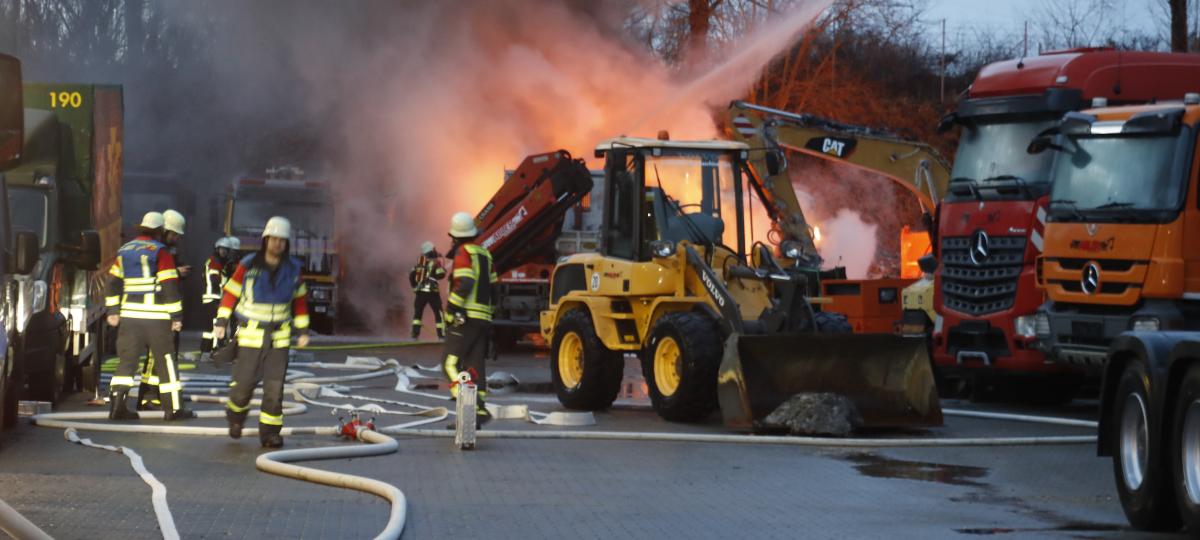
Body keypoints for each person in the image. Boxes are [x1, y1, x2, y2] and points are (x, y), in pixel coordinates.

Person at [214, 217, 310, 448]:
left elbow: (299, 302)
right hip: (251, 337)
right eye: (273, 239)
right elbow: (230, 294)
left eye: (282, 240)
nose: (277, 244)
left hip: (279, 339)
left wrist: (303, 330)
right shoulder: (248, 265)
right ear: (266, 240)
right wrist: (221, 321)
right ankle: (235, 416)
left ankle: (270, 434)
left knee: (274, 391)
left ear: (286, 244)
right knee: (242, 388)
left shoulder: (294, 270)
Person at [105, 211, 194, 421]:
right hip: (157, 317)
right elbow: (169, 285)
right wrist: (176, 316)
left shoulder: (124, 250)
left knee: (126, 361)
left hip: (129, 317)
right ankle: (173, 409)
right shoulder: (160, 251)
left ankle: (117, 406)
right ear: (160, 231)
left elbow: (112, 283)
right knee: (166, 361)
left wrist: (113, 311)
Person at [441, 212, 497, 429]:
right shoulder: (485, 254)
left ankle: (468, 409)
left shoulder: (463, 252)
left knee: (449, 364)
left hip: (466, 317)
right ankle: (480, 410)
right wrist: (490, 318)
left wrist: (452, 308)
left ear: (455, 237)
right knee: (475, 365)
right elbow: (495, 289)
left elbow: (464, 283)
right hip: (482, 318)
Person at [201, 237, 234, 360]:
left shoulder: (215, 262)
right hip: (213, 297)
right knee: (216, 325)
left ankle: (206, 351)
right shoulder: (214, 262)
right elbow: (216, 281)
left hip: (211, 297)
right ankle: (214, 351)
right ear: (217, 249)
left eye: (226, 250)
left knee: (209, 327)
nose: (224, 252)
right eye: (222, 249)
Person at [409, 240, 447, 339]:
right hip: (432, 292)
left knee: (418, 313)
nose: (435, 250)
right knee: (438, 313)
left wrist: (414, 287)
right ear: (431, 250)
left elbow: (411, 276)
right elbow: (440, 275)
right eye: (434, 248)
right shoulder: (435, 262)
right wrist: (443, 269)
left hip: (420, 292)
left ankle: (414, 335)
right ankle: (441, 335)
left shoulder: (420, 262)